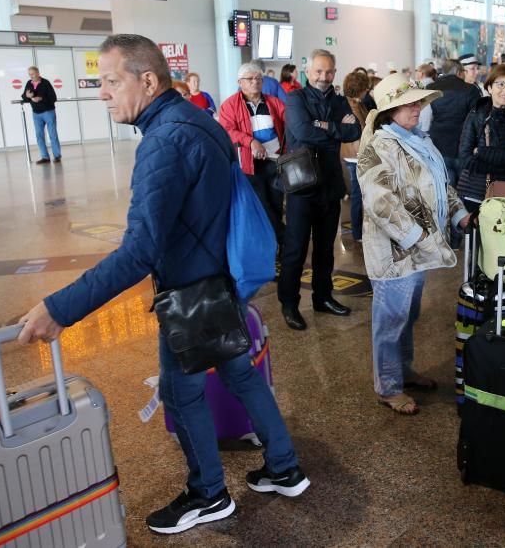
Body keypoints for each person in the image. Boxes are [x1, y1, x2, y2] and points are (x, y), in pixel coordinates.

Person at [16, 34, 309, 535]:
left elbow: (139, 252)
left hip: (192, 295)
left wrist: (60, 307)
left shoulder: (164, 141)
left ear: (147, 80)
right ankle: (284, 467)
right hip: (223, 280)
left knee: (181, 394)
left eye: (111, 81)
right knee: (241, 375)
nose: (102, 94)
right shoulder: (200, 121)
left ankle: (208, 494)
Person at [357, 74, 471, 415]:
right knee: (391, 320)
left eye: (418, 102)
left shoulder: (420, 140)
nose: (417, 108)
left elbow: (441, 186)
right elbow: (380, 204)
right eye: (408, 104)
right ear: (389, 110)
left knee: (408, 315)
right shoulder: (377, 147)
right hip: (394, 255)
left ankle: (403, 370)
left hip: (420, 252)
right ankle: (388, 387)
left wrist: (459, 214)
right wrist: (418, 237)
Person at [279, 49, 361, 331]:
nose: (323, 77)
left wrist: (324, 126)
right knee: (296, 249)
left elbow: (355, 132)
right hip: (302, 185)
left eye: (328, 72)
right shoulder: (295, 98)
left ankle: (322, 297)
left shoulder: (339, 101)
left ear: (335, 73)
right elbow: (302, 132)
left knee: (326, 249)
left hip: (330, 185)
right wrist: (335, 128)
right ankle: (289, 304)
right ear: (308, 71)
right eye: (318, 71)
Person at [218, 62, 287, 246]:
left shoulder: (273, 102)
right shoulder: (230, 105)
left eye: (258, 78)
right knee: (261, 205)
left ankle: (276, 244)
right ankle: (282, 239)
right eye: (250, 79)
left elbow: (289, 120)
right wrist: (251, 141)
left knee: (276, 203)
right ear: (240, 82)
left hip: (275, 161)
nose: (255, 82)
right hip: (250, 164)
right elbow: (227, 130)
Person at [457, 64, 505, 212]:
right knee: (476, 234)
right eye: (500, 84)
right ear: (489, 88)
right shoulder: (477, 114)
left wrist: (480, 152)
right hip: (474, 193)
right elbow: (465, 158)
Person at [424, 59, 479, 185]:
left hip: (437, 144)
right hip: (463, 144)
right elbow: (477, 119)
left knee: (445, 189)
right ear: (459, 72)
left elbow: (424, 118)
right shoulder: (471, 90)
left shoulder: (430, 88)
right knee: (464, 188)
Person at [341, 70, 371, 242]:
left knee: (357, 194)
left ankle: (358, 231)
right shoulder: (353, 106)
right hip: (356, 155)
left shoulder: (354, 104)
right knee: (357, 196)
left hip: (353, 154)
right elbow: (361, 129)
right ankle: (358, 233)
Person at [21, 66, 61, 164]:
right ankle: (45, 157)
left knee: (53, 135)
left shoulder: (46, 83)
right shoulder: (28, 83)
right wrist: (27, 96)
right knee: (39, 136)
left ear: (38, 73)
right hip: (36, 113)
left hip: (48, 112)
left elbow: (53, 98)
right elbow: (24, 97)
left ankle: (57, 156)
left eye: (33, 74)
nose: (31, 76)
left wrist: (41, 98)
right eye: (29, 74)